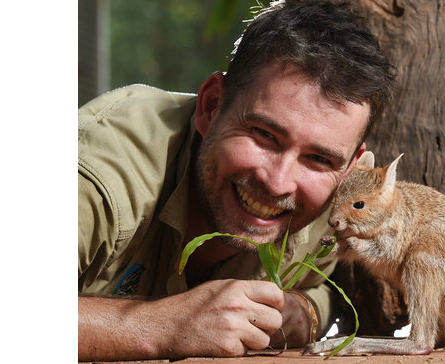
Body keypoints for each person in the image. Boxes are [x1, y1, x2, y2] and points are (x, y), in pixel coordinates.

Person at [78, 0, 395, 361]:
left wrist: (299, 314)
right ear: (211, 106)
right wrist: (165, 325)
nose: (278, 184)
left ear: (350, 169)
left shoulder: (329, 206)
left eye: (319, 158)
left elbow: (322, 291)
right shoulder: (102, 176)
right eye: (263, 135)